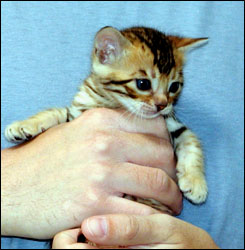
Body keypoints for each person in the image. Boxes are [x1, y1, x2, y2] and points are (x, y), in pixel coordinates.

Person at [1, 1, 244, 249]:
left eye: (172, 88)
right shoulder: (92, 92)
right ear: (105, 54)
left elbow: (184, 137)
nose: (161, 102)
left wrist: (191, 171)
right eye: (142, 84)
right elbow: (69, 117)